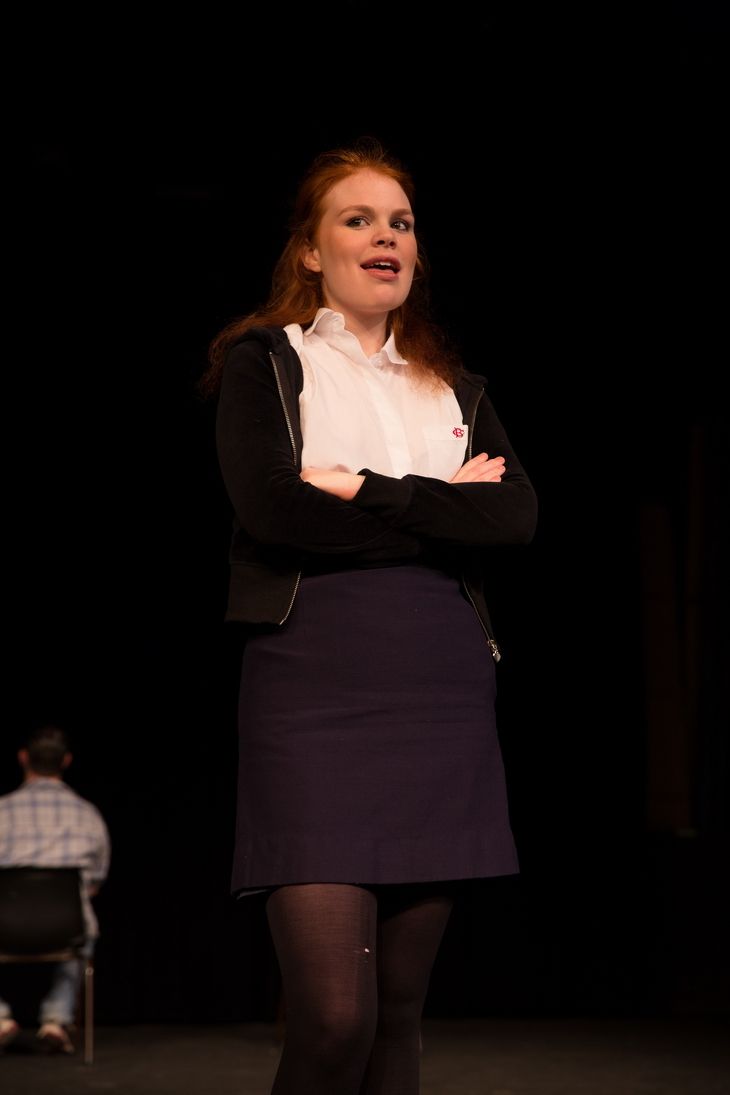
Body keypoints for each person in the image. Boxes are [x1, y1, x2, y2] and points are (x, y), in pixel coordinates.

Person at [201, 137, 538, 1095]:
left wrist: (361, 487)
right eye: (359, 219)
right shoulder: (267, 362)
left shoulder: (451, 387)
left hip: (439, 689)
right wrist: (440, 505)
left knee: (396, 1012)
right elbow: (272, 509)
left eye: (401, 222)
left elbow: (514, 516)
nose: (386, 235)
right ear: (311, 249)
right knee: (332, 1016)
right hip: (314, 686)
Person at [0, 724, 110, 1054]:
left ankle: (1, 1020)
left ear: (23, 758)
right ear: (66, 761)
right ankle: (56, 1020)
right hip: (67, 928)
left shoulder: (1, 811)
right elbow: (94, 883)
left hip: (2, 925)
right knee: (83, 923)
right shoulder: (88, 815)